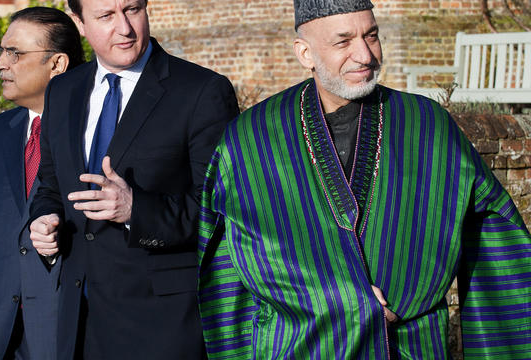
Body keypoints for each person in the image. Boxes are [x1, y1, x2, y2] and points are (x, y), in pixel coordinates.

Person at [197, 0, 531, 358]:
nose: (365, 54)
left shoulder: (428, 126)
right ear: (305, 52)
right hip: (299, 349)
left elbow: (499, 245)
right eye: (343, 42)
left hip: (410, 346)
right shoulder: (252, 138)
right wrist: (350, 300)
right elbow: (234, 260)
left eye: (371, 35)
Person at [27, 0, 239, 358]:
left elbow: (221, 210)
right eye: (106, 16)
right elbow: (50, 184)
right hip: (76, 322)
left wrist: (135, 209)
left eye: (133, 9)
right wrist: (45, 218)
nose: (124, 28)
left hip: (163, 328)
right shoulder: (62, 91)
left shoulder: (202, 91)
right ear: (79, 21)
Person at [0, 7, 85, 359]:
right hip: (2, 338)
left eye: (15, 53)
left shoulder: (93, 133)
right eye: (2, 51)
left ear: (57, 64)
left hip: (72, 335)